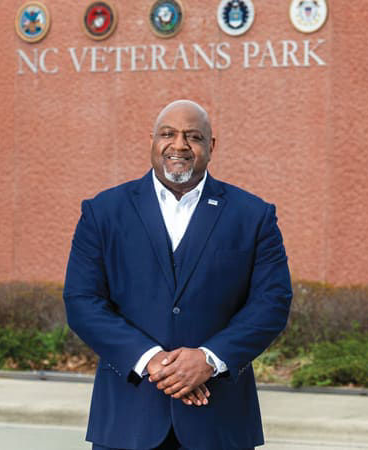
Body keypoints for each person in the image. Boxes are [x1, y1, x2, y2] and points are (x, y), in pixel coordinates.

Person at [63, 100, 293, 449]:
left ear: (211, 146)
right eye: (168, 134)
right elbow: (82, 301)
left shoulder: (253, 215)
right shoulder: (103, 212)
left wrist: (209, 360)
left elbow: (271, 304)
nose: (179, 145)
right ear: (151, 141)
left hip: (219, 420)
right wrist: (151, 360)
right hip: (129, 420)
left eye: (194, 136)